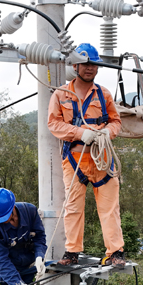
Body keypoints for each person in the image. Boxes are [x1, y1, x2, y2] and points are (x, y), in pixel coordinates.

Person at [47, 42, 126, 268]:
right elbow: (54, 124)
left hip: (102, 159)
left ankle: (116, 251)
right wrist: (81, 133)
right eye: (84, 64)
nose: (89, 68)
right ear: (75, 65)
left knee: (110, 207)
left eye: (93, 64)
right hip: (75, 159)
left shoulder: (104, 95)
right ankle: (72, 251)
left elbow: (115, 122)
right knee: (72, 207)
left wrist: (104, 134)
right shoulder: (62, 94)